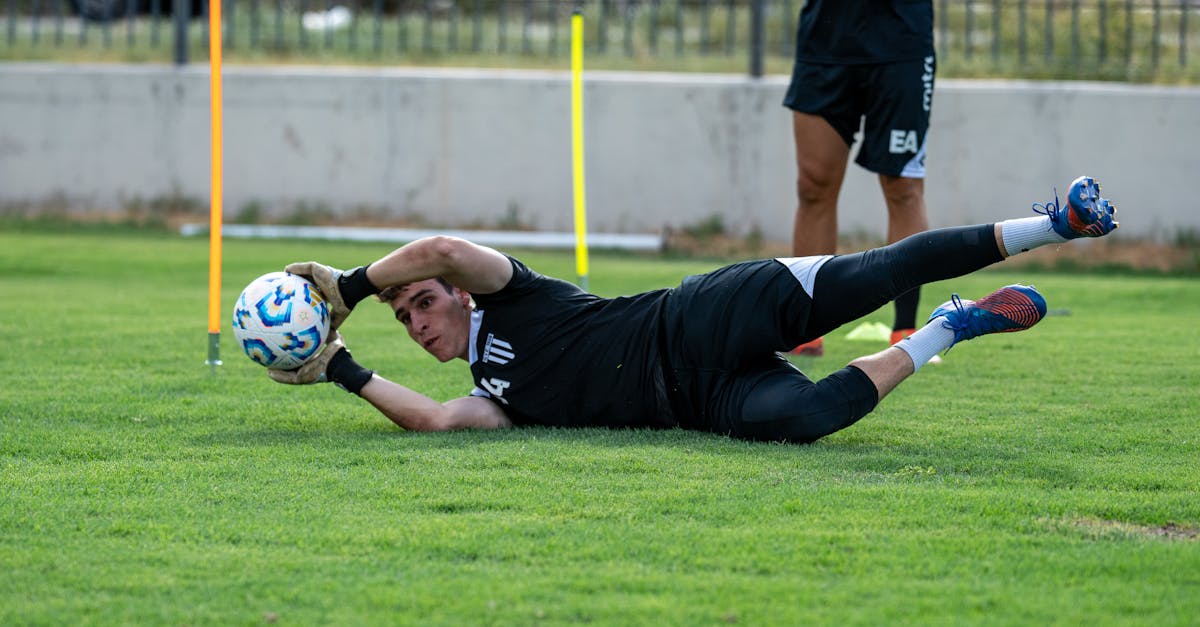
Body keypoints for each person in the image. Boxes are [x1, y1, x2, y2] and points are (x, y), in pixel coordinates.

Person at [269, 177, 1117, 444]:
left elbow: (444, 248)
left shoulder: (508, 291)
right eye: (403, 318)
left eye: (420, 303)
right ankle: (954, 324)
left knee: (878, 268)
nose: (417, 321)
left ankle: (1054, 222)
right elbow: (435, 421)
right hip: (697, 404)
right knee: (811, 418)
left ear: (457, 294)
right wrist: (338, 367)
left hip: (702, 317)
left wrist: (346, 289)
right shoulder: (494, 396)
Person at [783, 0, 937, 356]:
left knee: (903, 188)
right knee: (812, 185)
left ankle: (907, 333)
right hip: (826, 43)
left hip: (901, 44)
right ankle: (806, 330)